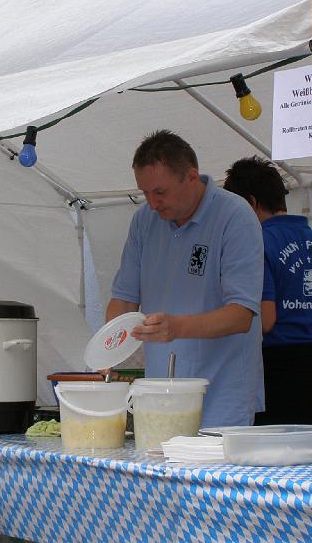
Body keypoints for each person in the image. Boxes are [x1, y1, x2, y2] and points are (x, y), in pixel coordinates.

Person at [107, 130, 265, 427]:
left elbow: (241, 315)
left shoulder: (235, 216)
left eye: (160, 192)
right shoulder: (144, 221)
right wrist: (108, 346)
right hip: (159, 395)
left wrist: (176, 327)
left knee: (212, 474)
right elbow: (124, 299)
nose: (152, 203)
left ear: (191, 177)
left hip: (222, 398)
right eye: (145, 193)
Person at [223, 156, 312, 426]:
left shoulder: (257, 243)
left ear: (250, 203)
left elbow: (265, 320)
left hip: (279, 380)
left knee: (272, 467)